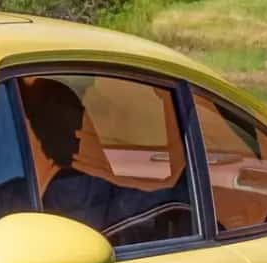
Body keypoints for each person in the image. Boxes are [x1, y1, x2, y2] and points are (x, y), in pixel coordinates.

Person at [19, 78, 191, 243]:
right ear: (82, 131)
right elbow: (178, 186)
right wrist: (169, 97)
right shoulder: (109, 197)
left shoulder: (12, 199)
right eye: (90, 118)